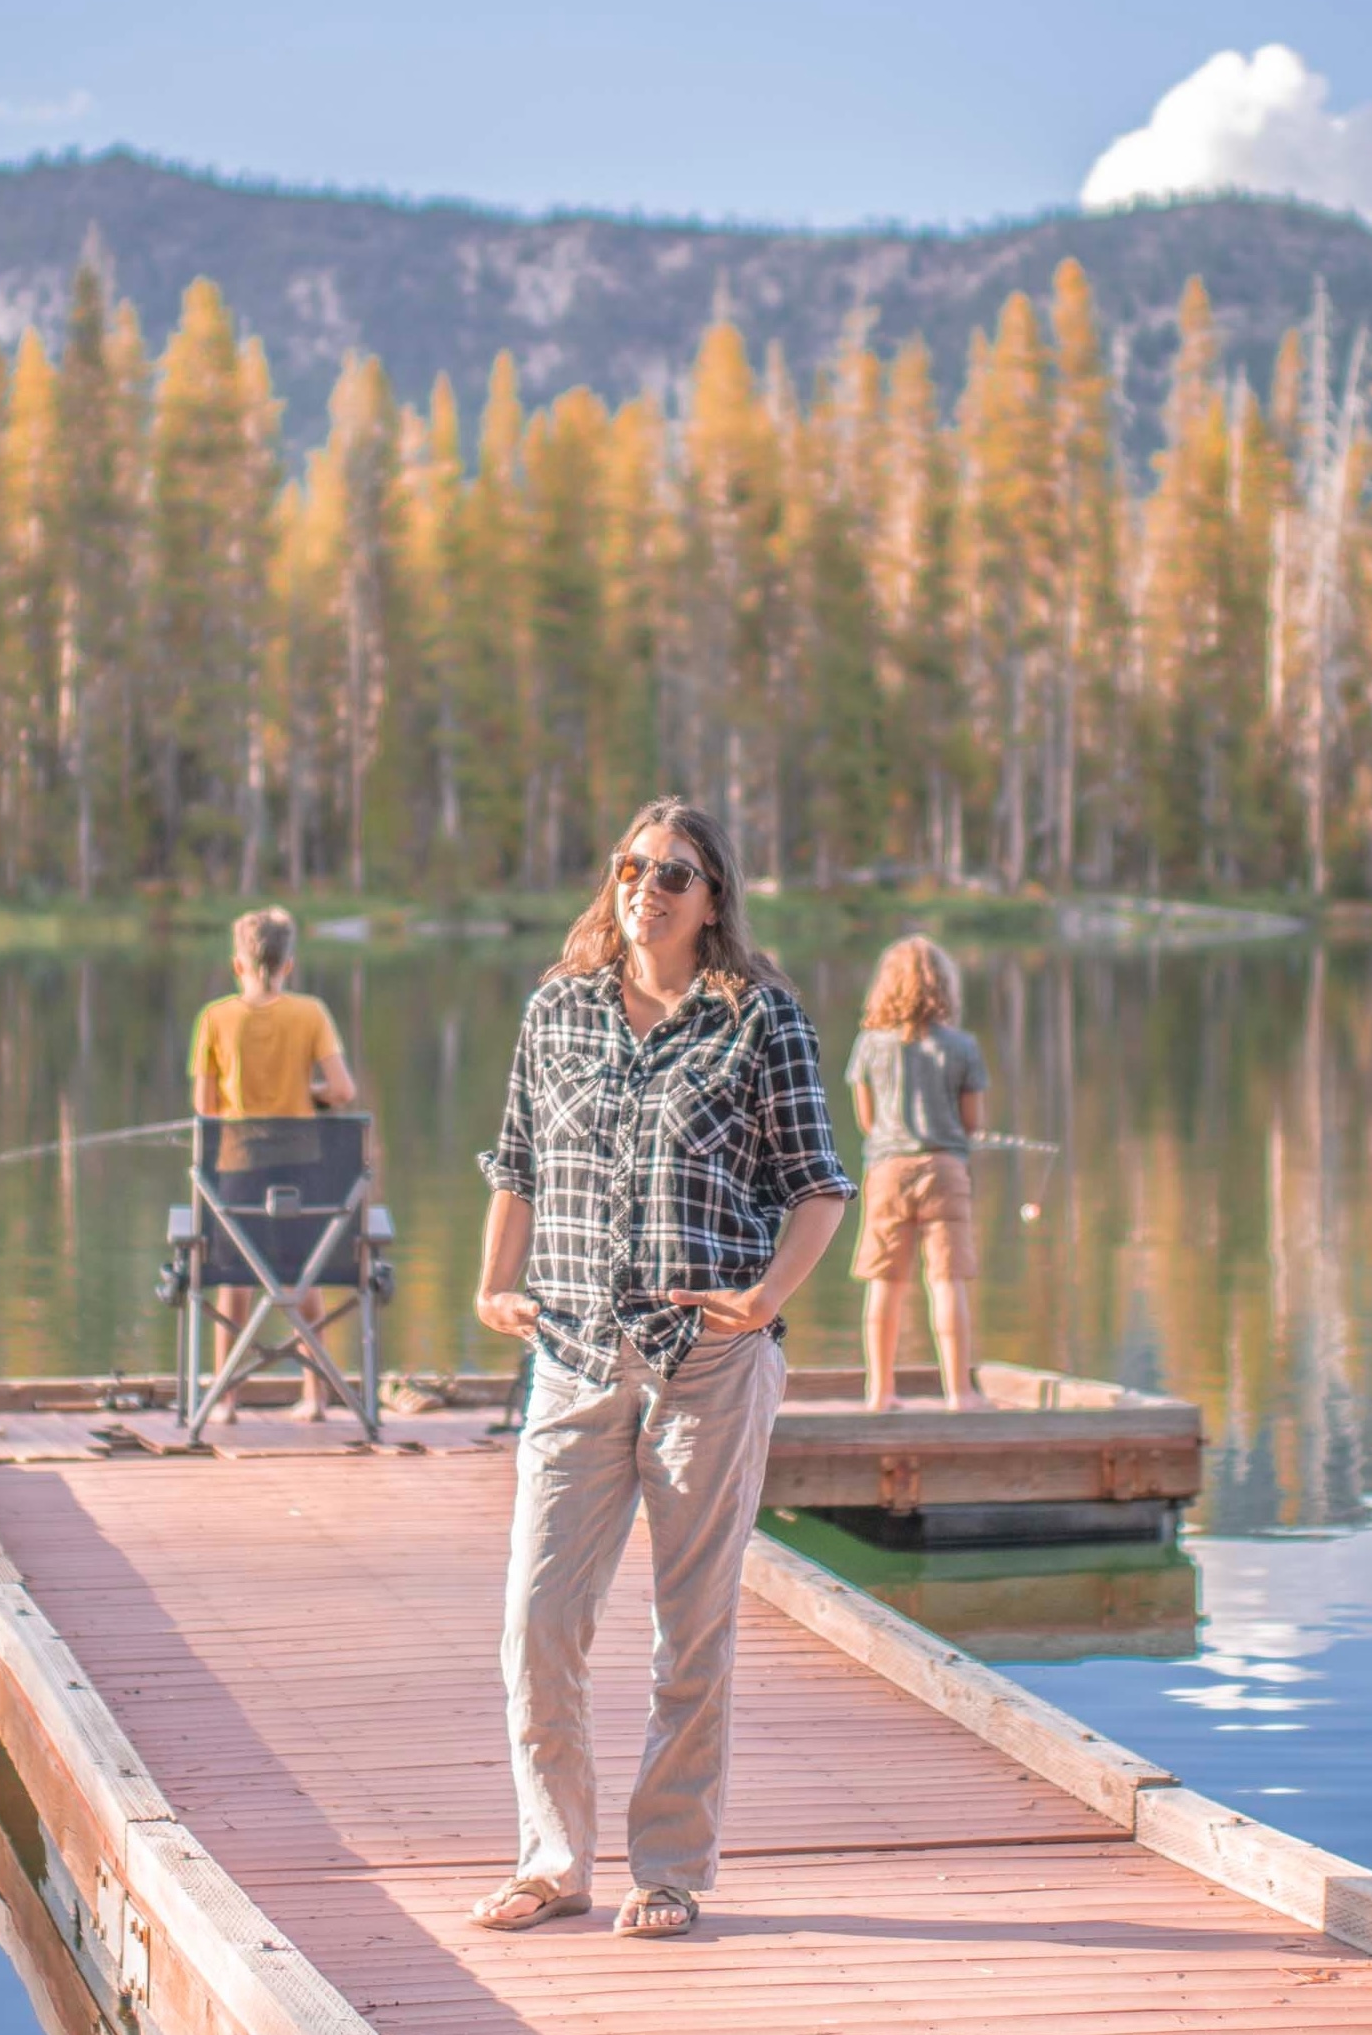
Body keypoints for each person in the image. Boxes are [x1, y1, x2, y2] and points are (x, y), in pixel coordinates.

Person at [468, 798, 852, 1942]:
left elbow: (820, 1185)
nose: (650, 887)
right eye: (633, 867)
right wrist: (494, 1284)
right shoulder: (558, 1010)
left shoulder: (760, 1020)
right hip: (576, 1353)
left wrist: (767, 1300)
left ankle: (669, 1868)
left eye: (675, 874)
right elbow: (519, 1159)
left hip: (710, 1366)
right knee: (537, 1618)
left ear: (713, 897)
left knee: (692, 1629)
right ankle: (552, 1859)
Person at [186, 906, 358, 1420]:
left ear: (238, 965)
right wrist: (308, 1093)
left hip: (237, 1175)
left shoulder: (215, 1018)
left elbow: (206, 1111)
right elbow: (344, 1091)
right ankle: (314, 1395)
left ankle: (227, 1397)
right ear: (289, 965)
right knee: (302, 1276)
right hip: (303, 1173)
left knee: (236, 1275)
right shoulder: (311, 1014)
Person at [844, 934, 988, 1412]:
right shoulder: (962, 1047)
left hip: (887, 1170)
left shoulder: (869, 1045)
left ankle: (879, 1392)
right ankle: (958, 1393)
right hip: (945, 1169)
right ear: (943, 988)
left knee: (884, 1282)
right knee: (947, 1281)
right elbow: (973, 1124)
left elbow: (866, 1121)